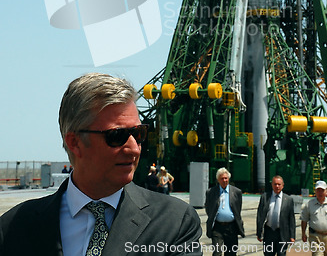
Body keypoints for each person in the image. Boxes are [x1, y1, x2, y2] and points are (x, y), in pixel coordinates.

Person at [0, 73, 203, 256]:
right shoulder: (13, 227)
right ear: (75, 142)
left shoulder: (175, 222)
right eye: (117, 136)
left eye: (139, 134)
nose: (134, 148)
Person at [205, 167, 244, 256]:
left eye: (226, 178)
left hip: (231, 227)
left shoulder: (236, 192)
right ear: (218, 179)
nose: (224, 180)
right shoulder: (211, 192)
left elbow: (238, 208)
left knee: (231, 253)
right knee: (217, 252)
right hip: (217, 227)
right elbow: (208, 208)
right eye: (222, 178)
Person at [256, 175, 295, 256]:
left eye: (279, 184)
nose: (277, 186)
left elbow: (291, 219)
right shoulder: (265, 197)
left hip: (282, 233)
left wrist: (292, 236)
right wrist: (259, 232)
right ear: (272, 185)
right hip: (269, 232)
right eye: (275, 184)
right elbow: (259, 216)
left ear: (283, 185)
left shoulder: (288, 200)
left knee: (281, 254)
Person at [301, 180, 327, 256]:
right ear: (315, 191)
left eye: (322, 190)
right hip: (315, 237)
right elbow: (304, 219)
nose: (320, 193)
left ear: (326, 191)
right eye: (318, 190)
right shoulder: (309, 205)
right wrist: (303, 233)